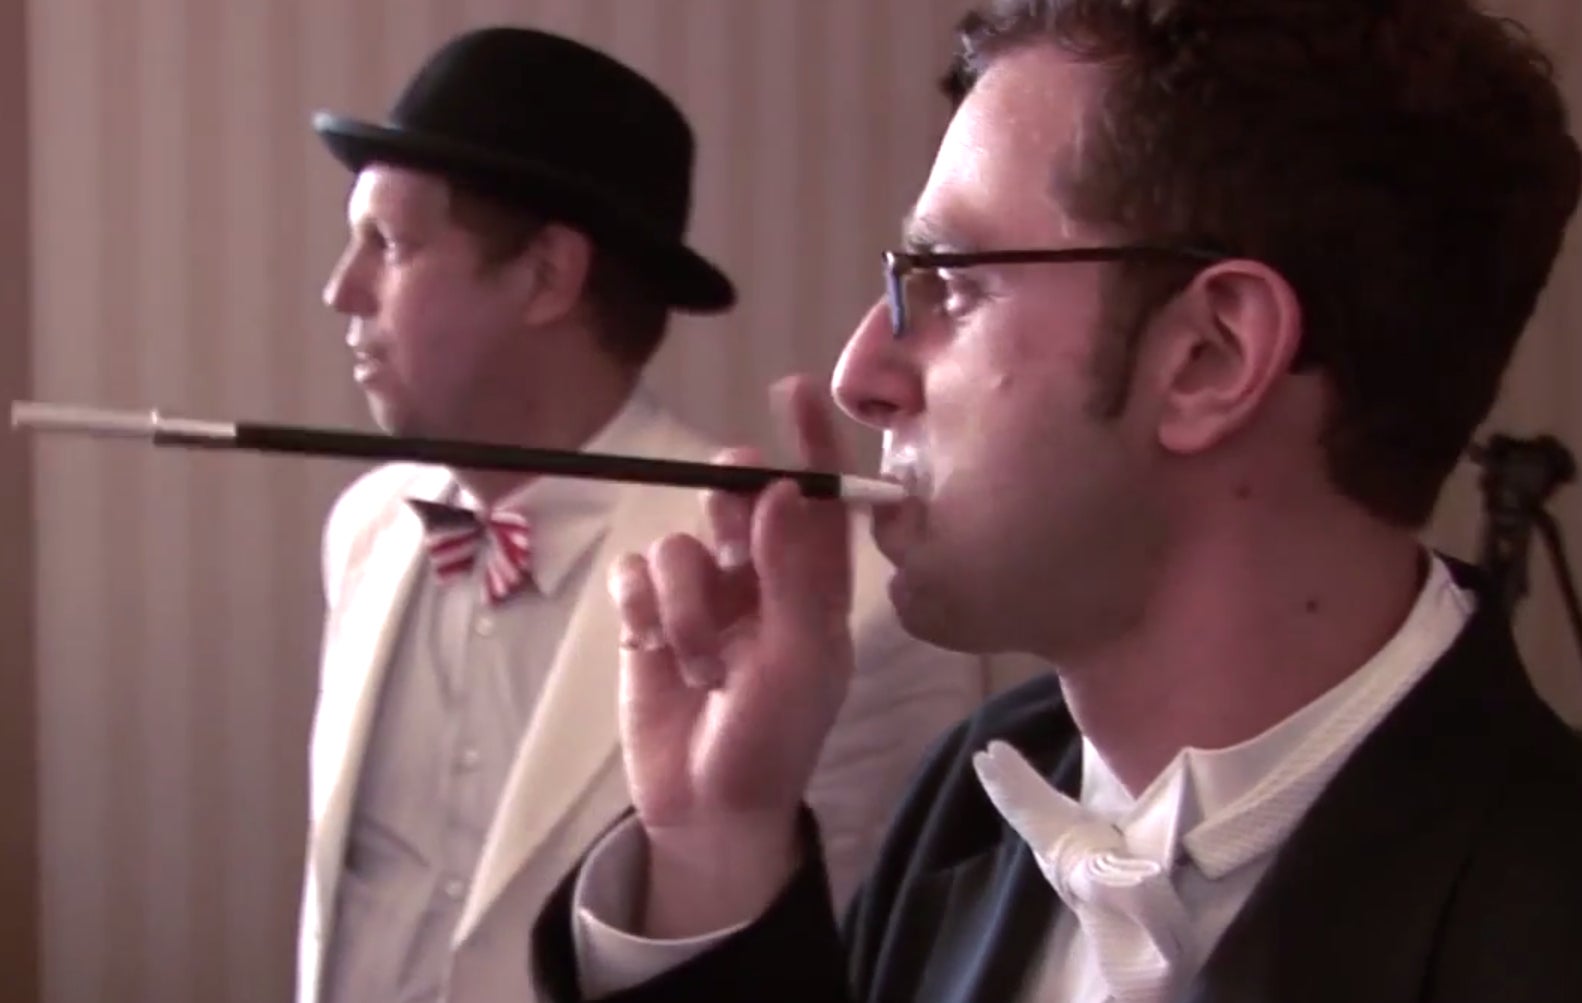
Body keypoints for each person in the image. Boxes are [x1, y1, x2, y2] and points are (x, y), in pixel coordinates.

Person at [528, 1, 1582, 1001]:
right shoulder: (977, 796)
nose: (859, 374)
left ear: (1209, 356)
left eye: (950, 281)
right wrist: (715, 841)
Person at [294, 26, 987, 1003]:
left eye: (391, 244)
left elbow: (869, 968)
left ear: (547, 275)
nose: (341, 289)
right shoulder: (366, 527)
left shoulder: (845, 605)